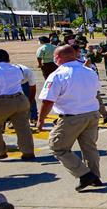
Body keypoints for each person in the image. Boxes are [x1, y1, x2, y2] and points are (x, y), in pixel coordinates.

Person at [37, 45, 103, 191]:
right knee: (89, 147)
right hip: (91, 114)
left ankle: (84, 174)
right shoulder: (89, 71)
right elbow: (96, 91)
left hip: (71, 116)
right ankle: (95, 176)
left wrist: (41, 119)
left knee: (58, 147)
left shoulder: (58, 75)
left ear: (58, 58)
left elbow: (48, 100)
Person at [0, 49, 35, 160]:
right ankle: (28, 152)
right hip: (20, 99)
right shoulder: (16, 68)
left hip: (2, 101)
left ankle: (0, 151)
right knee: (23, 128)